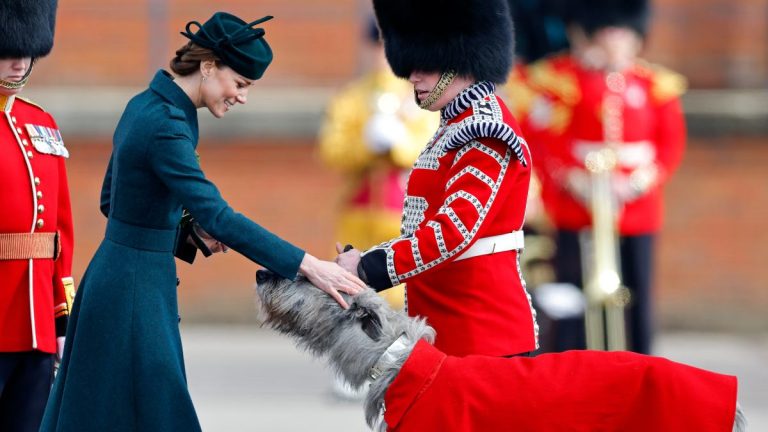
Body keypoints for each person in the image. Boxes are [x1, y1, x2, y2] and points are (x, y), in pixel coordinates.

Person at [40, 11, 364, 431]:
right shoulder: (167, 125)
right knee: (158, 413)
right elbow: (218, 213)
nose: (242, 96)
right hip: (134, 293)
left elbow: (112, 201)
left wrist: (188, 232)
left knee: (108, 414)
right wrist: (308, 265)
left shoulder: (147, 105)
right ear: (208, 66)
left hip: (122, 281)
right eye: (240, 83)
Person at [337, 0, 539, 358]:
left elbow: (452, 230)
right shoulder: (455, 123)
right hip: (446, 319)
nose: (413, 76)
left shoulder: (484, 130)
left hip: (480, 327)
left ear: (459, 58)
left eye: (426, 64)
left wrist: (370, 267)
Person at [516, 0, 687, 354]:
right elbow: (544, 139)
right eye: (609, 31)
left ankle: (638, 362)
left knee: (636, 291)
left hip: (634, 209)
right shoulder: (564, 80)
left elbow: (669, 146)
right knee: (574, 293)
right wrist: (571, 178)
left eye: (622, 32)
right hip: (579, 205)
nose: (616, 39)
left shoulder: (655, 85)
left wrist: (637, 183)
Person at [318, 18, 438, 311]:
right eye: (378, 47)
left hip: (404, 211)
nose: (382, 55)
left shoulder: (421, 95)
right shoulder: (352, 98)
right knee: (354, 294)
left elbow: (432, 148)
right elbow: (331, 150)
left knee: (403, 295)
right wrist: (365, 144)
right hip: (360, 208)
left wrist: (399, 144)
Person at [0, 1, 74, 431]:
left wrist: (60, 318)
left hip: (36, 328)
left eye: (26, 50)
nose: (19, 60)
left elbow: (59, 233)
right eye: (8, 49)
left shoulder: (39, 122)